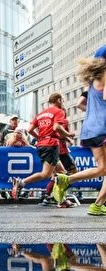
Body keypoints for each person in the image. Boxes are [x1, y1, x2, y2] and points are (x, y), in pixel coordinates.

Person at [53, 46, 106, 215]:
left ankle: (96, 203)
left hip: (91, 128)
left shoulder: (93, 81)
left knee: (103, 168)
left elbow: (84, 103)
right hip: (103, 127)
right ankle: (95, 203)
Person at [11, 93, 75, 202]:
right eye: (63, 100)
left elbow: (30, 129)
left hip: (41, 145)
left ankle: (61, 200)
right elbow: (56, 127)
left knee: (61, 173)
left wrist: (40, 137)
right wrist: (68, 135)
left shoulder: (41, 114)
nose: (63, 103)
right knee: (46, 174)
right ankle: (21, 182)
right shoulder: (59, 111)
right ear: (58, 100)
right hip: (51, 145)